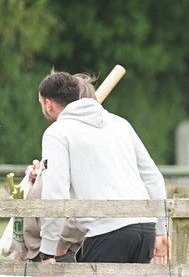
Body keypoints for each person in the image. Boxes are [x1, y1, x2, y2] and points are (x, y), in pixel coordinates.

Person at [35, 71, 170, 264]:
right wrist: (160, 230)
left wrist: (47, 251)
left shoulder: (57, 132)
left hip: (107, 230)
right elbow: (153, 178)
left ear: (48, 104)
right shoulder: (120, 123)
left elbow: (55, 193)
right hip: (145, 227)